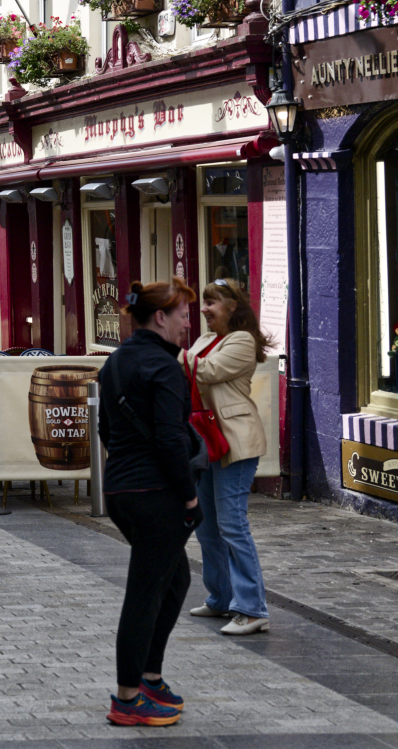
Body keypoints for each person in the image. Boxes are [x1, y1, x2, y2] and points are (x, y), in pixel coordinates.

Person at [98, 278, 203, 727]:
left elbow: (105, 429)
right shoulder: (164, 367)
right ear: (160, 317)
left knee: (175, 580)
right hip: (155, 494)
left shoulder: (115, 361)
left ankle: (150, 677)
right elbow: (170, 439)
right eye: (183, 315)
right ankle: (127, 697)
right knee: (144, 594)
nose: (188, 323)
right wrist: (190, 497)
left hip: (121, 490)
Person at [185, 279, 274, 636]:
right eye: (204, 302)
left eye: (212, 303)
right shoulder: (204, 340)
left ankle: (252, 609)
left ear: (232, 307)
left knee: (232, 524)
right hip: (205, 440)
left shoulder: (242, 340)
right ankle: (221, 597)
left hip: (235, 441)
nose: (204, 309)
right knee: (207, 525)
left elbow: (205, 371)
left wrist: (165, 351)